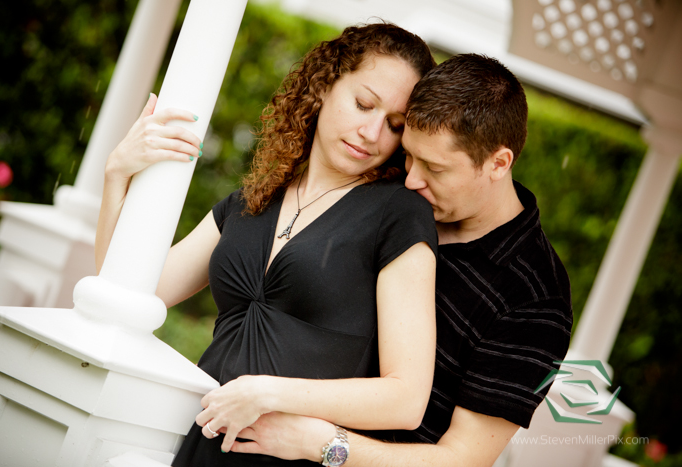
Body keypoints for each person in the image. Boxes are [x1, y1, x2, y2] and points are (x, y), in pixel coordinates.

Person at [95, 23, 440, 466]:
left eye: (394, 125)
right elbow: (128, 289)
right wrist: (116, 175)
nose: (372, 133)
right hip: (201, 447)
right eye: (363, 104)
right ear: (325, 85)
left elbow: (406, 399)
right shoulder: (255, 198)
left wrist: (268, 392)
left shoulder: (398, 214)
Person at [226, 54, 573, 466]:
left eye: (435, 168)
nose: (411, 178)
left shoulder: (534, 298)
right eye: (409, 155)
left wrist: (322, 446)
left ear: (498, 163)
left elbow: (462, 460)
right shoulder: (394, 188)